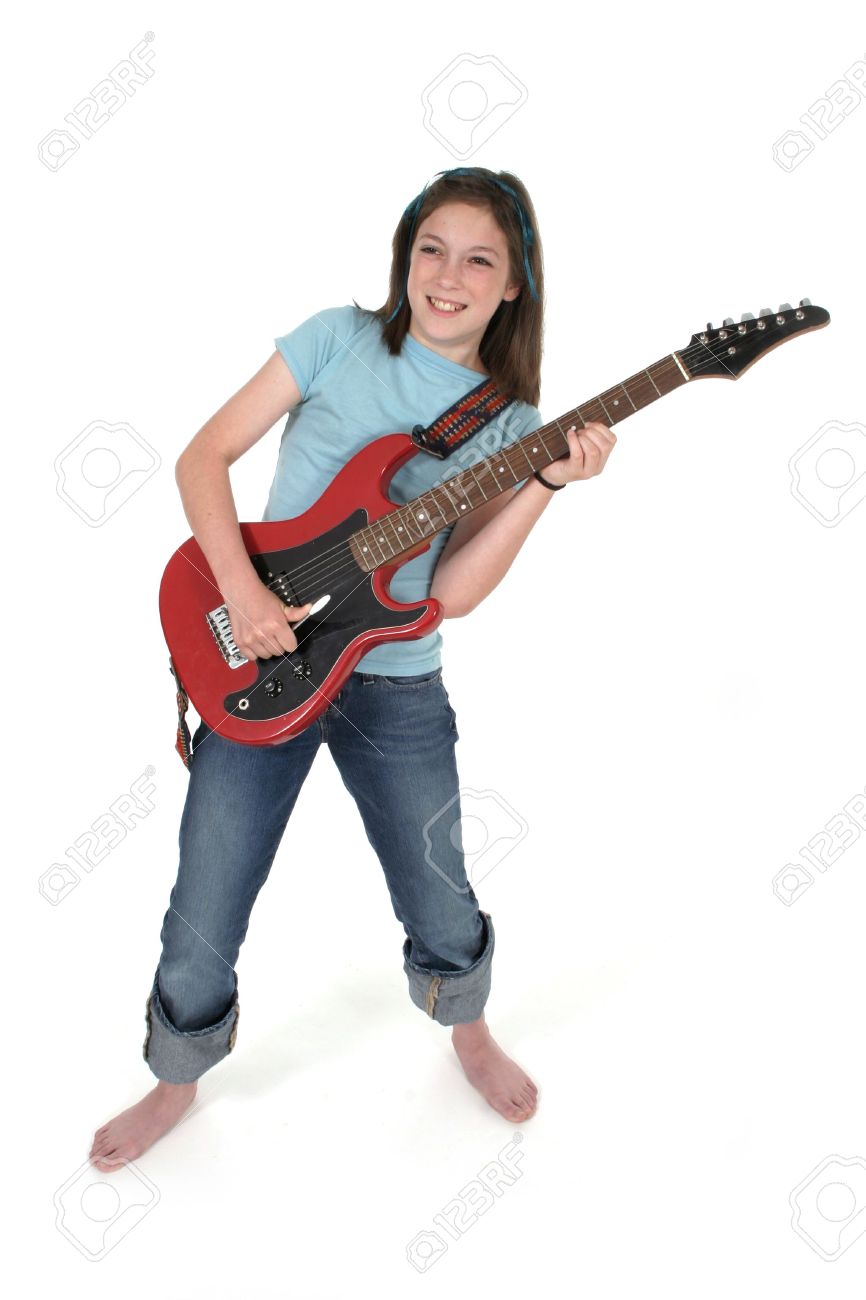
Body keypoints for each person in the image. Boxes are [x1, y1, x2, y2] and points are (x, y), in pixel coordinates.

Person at [89, 166, 617, 1171]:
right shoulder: (337, 337)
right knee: (209, 881)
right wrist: (242, 596)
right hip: (262, 653)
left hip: (394, 676)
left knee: (437, 877)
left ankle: (464, 1024)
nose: (447, 275)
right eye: (431, 249)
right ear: (403, 257)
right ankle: (175, 1075)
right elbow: (204, 457)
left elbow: (449, 590)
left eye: (478, 259)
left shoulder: (506, 422)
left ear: (514, 285)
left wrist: (545, 479)